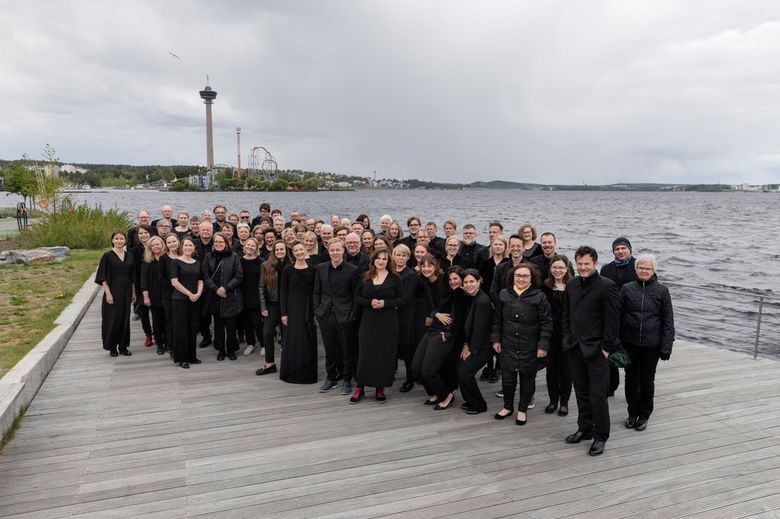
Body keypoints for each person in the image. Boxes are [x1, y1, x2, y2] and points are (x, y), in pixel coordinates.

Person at [563, 246, 620, 456]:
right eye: (580, 264)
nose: (583, 267)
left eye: (587, 264)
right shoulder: (571, 284)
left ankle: (600, 436)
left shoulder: (607, 286)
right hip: (575, 347)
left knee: (597, 396)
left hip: (597, 350)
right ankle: (584, 429)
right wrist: (567, 339)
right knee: (581, 393)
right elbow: (566, 315)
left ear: (595, 263)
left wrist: (606, 349)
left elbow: (613, 321)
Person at [491, 263, 552, 426]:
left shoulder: (539, 296)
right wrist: (496, 339)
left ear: (532, 278)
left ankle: (522, 410)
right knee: (508, 378)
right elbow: (497, 319)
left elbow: (547, 323)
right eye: (518, 275)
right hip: (508, 344)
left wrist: (543, 345)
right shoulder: (504, 294)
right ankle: (507, 407)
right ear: (513, 277)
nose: (521, 279)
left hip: (530, 345)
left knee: (527, 379)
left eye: (525, 276)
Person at [620, 254, 675, 432]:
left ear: (653, 271)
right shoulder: (627, 289)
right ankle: (632, 412)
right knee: (630, 378)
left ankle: (644, 414)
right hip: (630, 342)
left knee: (646, 380)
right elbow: (618, 317)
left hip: (652, 345)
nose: (644, 271)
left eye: (647, 268)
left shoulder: (662, 291)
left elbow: (668, 321)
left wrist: (666, 347)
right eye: (641, 267)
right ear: (635, 269)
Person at [411, 266, 467, 410]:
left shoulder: (460, 294)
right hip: (432, 330)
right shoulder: (449, 292)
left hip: (443, 334)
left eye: (456, 279)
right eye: (450, 279)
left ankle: (446, 395)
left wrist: (447, 333)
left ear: (462, 279)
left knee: (428, 370)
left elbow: (458, 318)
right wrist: (435, 314)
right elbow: (436, 309)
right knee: (416, 368)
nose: (453, 282)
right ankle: (434, 392)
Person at [351, 249, 403, 403]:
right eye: (378, 258)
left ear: (388, 261)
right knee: (365, 354)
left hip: (388, 322)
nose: (381, 261)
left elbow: (403, 300)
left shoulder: (395, 278)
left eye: (384, 259)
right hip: (368, 321)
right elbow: (357, 298)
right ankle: (359, 388)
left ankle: (380, 388)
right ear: (373, 260)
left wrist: (385, 303)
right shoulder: (365, 276)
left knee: (384, 355)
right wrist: (369, 302)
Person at [313, 238, 360, 393]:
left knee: (346, 350)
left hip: (344, 316)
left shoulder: (352, 270)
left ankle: (347, 379)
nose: (335, 253)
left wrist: (352, 315)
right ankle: (331, 378)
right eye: (332, 250)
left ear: (343, 250)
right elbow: (317, 291)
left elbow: (355, 295)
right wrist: (317, 310)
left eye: (338, 250)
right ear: (328, 250)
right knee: (330, 350)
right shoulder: (320, 268)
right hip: (326, 315)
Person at [601, 236, 638, 397]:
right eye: (617, 249)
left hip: (632, 315)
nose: (620, 251)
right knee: (610, 349)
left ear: (630, 249)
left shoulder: (638, 266)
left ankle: (634, 385)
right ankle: (611, 385)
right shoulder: (607, 269)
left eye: (623, 248)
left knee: (631, 353)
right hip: (611, 315)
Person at [457, 269, 494, 414]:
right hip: (474, 344)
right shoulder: (473, 297)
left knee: (465, 373)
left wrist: (470, 349)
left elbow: (480, 330)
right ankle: (470, 400)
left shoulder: (482, 302)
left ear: (479, 282)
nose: (468, 284)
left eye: (472, 281)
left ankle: (479, 405)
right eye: (465, 282)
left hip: (483, 347)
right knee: (459, 370)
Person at [202, 233, 244, 361]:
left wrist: (225, 288)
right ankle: (220, 349)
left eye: (221, 242)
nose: (219, 244)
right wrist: (216, 289)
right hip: (215, 296)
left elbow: (239, 275)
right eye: (216, 242)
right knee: (218, 326)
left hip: (230, 295)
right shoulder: (209, 257)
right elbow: (205, 275)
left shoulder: (234, 257)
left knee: (231, 326)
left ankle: (231, 349)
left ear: (226, 243)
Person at [279, 241, 317, 383]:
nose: (299, 252)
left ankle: (307, 373)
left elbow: (316, 291)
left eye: (301, 249)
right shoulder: (288, 270)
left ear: (305, 250)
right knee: (293, 338)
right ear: (293, 253)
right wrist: (283, 313)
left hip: (309, 308)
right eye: (296, 251)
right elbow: (283, 293)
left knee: (308, 338)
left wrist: (316, 312)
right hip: (292, 308)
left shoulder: (314, 269)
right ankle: (292, 371)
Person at [95, 231, 136, 357]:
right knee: (113, 319)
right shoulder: (107, 256)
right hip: (113, 290)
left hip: (127, 289)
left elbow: (133, 276)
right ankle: (112, 346)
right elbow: (102, 277)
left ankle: (123, 346)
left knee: (125, 318)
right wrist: (108, 293)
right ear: (112, 240)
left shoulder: (130, 256)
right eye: (116, 238)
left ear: (125, 241)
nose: (119, 241)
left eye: (121, 238)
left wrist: (133, 293)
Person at [542, 255, 574, 416]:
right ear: (550, 269)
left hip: (567, 333)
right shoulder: (545, 286)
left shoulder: (573, 286)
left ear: (567, 269)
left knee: (566, 370)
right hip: (550, 333)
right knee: (551, 369)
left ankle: (564, 402)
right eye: (555, 267)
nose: (558, 270)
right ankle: (553, 400)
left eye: (561, 267)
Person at [478, 234, 509, 383]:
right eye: (495, 244)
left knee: (499, 335)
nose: (498, 247)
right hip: (487, 303)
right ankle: (488, 366)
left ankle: (498, 368)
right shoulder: (486, 262)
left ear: (505, 247)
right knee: (487, 334)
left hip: (502, 303)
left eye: (501, 245)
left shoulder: (508, 263)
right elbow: (481, 284)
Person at [255, 241, 289, 376]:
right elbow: (261, 287)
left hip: (288, 306)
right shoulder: (266, 265)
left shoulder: (291, 264)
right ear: (273, 251)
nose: (280, 251)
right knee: (267, 333)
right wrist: (263, 307)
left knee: (286, 335)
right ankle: (270, 364)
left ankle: (287, 363)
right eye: (277, 249)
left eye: (282, 249)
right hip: (273, 304)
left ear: (286, 250)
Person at [169, 237, 204, 368]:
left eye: (191, 245)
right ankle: (182, 358)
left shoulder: (197, 263)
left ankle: (192, 356)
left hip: (195, 299)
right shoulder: (175, 262)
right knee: (181, 329)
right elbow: (174, 282)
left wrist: (198, 294)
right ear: (181, 247)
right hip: (180, 300)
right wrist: (190, 294)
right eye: (186, 245)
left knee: (192, 328)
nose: (188, 247)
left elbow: (200, 280)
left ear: (194, 248)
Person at [393, 244, 418, 393]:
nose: (400, 258)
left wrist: (388, 304)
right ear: (393, 256)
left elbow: (406, 298)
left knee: (407, 350)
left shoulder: (410, 275)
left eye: (404, 255)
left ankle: (410, 379)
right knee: (391, 347)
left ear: (408, 258)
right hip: (390, 317)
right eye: (398, 255)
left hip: (405, 316)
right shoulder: (390, 272)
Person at [140, 236, 168, 355]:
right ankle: (159, 344)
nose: (156, 247)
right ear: (150, 247)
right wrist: (146, 297)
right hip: (153, 295)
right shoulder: (147, 262)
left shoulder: (167, 259)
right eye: (153, 245)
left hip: (167, 294)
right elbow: (144, 281)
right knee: (157, 320)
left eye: (158, 244)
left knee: (167, 320)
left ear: (162, 245)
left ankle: (168, 342)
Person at [130, 224, 154, 347]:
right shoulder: (134, 251)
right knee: (143, 313)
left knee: (158, 312)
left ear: (150, 234)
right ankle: (148, 335)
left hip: (156, 285)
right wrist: (133, 290)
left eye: (146, 233)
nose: (143, 235)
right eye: (141, 233)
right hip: (140, 285)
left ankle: (160, 333)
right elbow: (132, 271)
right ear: (137, 236)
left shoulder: (156, 246)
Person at [240, 238, 264, 356]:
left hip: (257, 297)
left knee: (258, 323)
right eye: (248, 245)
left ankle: (263, 344)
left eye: (253, 245)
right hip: (242, 296)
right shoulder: (239, 261)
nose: (250, 247)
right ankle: (251, 343)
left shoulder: (261, 261)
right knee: (246, 323)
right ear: (245, 246)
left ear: (256, 248)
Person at [161, 233, 180, 358]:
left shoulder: (184, 256)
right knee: (170, 322)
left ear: (178, 242)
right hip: (169, 295)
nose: (172, 244)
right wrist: (175, 287)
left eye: (174, 241)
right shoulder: (163, 258)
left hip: (183, 295)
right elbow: (161, 279)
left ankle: (182, 345)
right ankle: (171, 346)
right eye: (169, 242)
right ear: (166, 245)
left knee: (181, 322)